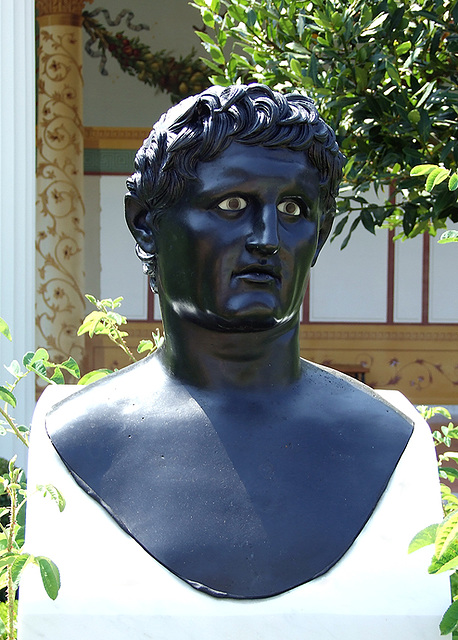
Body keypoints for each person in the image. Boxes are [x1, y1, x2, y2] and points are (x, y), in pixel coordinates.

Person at [20, 84, 448, 638]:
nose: (267, 238)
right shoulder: (70, 434)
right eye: (232, 205)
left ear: (318, 236)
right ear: (146, 223)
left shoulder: (393, 438)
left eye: (293, 209)